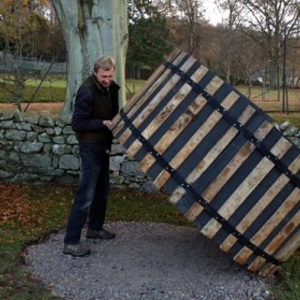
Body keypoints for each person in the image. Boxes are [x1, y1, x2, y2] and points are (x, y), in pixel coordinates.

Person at [63, 56, 120, 257]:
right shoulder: (86, 91)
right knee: (85, 194)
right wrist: (101, 123)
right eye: (104, 76)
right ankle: (71, 242)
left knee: (102, 191)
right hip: (90, 147)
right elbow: (77, 123)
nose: (107, 80)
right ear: (96, 72)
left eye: (110, 76)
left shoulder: (109, 88)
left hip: (103, 145)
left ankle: (95, 229)